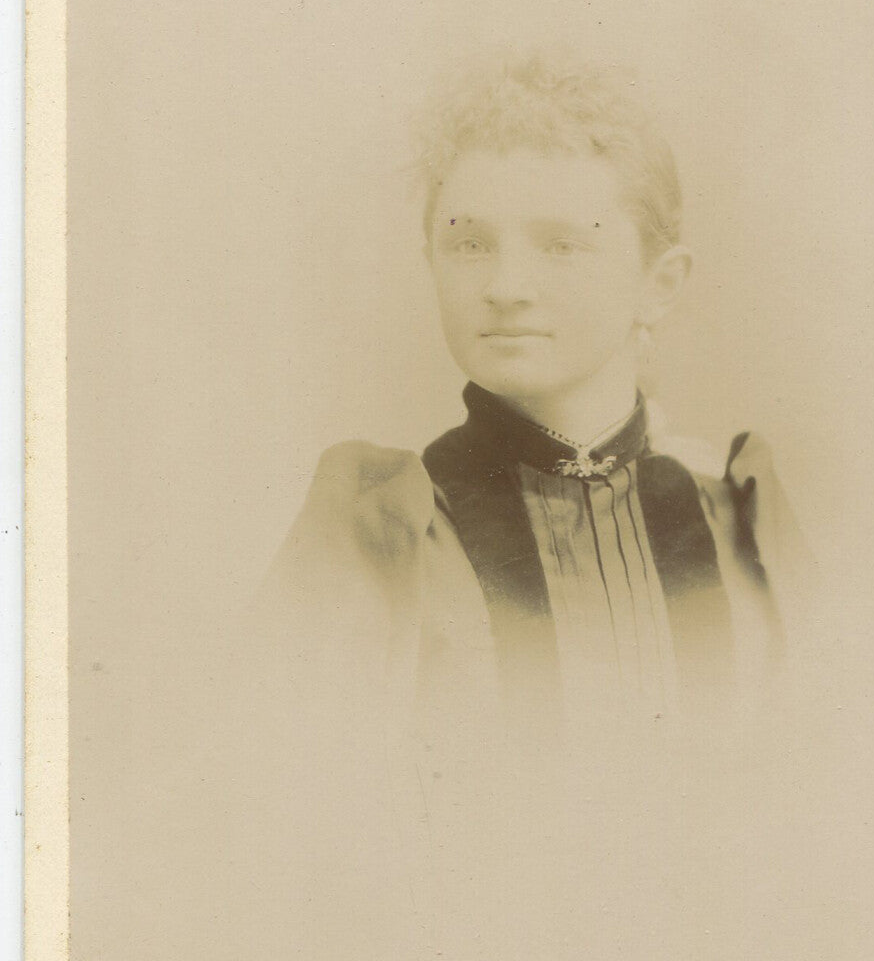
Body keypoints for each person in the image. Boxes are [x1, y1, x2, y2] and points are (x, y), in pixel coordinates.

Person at [264, 54, 809, 746]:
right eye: (470, 244)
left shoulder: (741, 527)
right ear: (432, 261)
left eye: (560, 245)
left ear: (660, 284)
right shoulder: (382, 537)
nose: (506, 284)